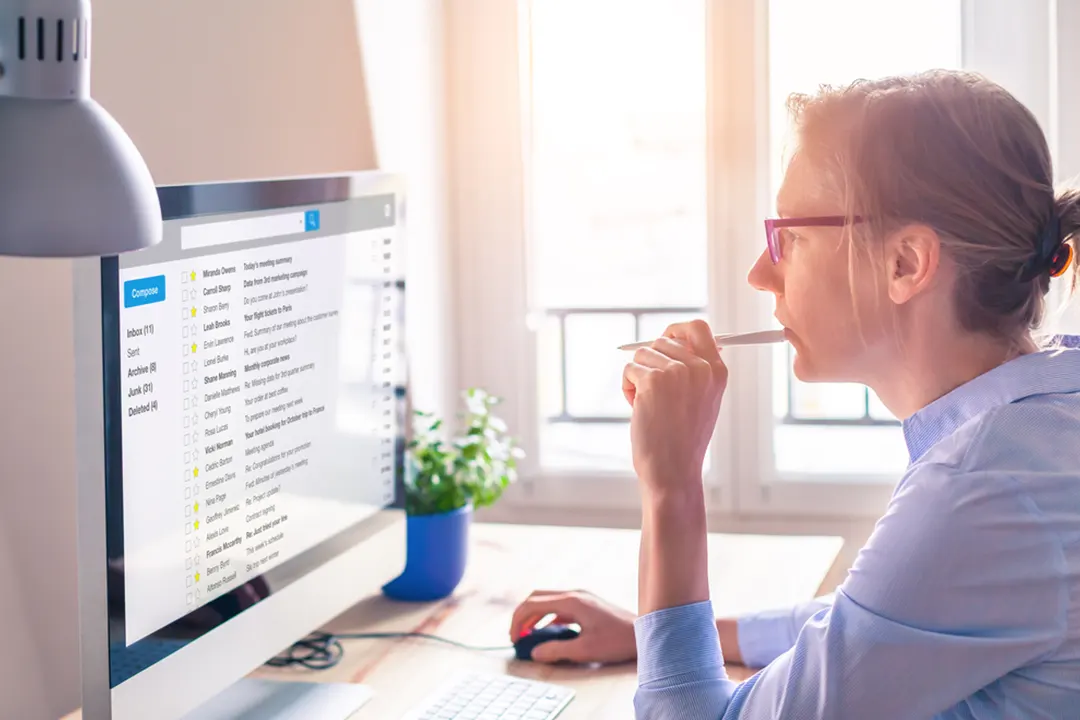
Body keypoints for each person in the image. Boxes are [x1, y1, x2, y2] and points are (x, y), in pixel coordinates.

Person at [510, 70, 1080, 719]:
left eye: (792, 237)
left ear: (906, 263)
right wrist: (655, 635)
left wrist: (671, 486)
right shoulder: (1041, 426)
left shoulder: (984, 487)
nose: (760, 272)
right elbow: (878, 620)